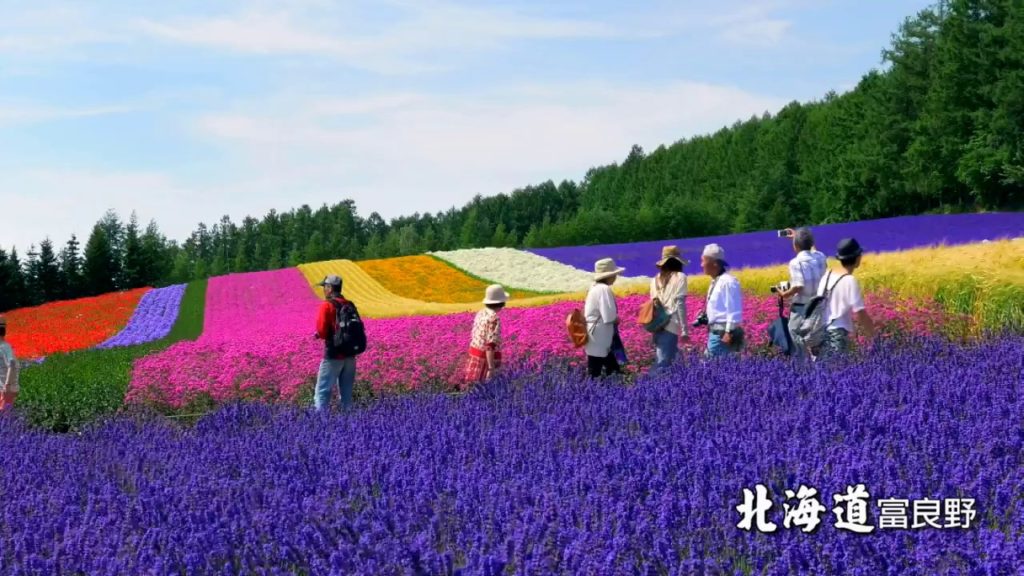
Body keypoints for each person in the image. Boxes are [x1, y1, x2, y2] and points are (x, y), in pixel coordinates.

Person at [817, 238, 876, 359]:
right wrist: (873, 336)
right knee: (837, 371)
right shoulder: (849, 280)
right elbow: (860, 313)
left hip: (820, 335)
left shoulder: (827, 276)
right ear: (857, 257)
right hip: (838, 335)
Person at [778, 227, 827, 359]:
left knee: (794, 332)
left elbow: (798, 286)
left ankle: (803, 364)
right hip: (820, 306)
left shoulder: (796, 263)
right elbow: (814, 251)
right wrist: (798, 237)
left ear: (796, 245)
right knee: (816, 337)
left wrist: (784, 294)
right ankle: (819, 363)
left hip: (802, 308)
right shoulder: (820, 257)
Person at [313, 275, 357, 411]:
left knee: (322, 391)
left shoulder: (327, 305)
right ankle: (349, 422)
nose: (324, 290)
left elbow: (322, 331)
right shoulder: (349, 304)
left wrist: (319, 335)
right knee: (346, 393)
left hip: (333, 355)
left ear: (330, 288)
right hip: (350, 355)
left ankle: (320, 423)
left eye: (325, 287)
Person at [649, 246, 689, 371]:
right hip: (671, 325)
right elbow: (680, 303)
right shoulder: (680, 277)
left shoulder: (655, 279)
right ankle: (655, 387)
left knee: (670, 359)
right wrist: (684, 329)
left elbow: (653, 303)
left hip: (657, 324)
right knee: (664, 365)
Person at [462, 284, 509, 389]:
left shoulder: (481, 313)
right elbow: (490, 345)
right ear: (501, 303)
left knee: (471, 387)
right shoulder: (494, 318)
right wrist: (491, 368)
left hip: (473, 355)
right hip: (485, 360)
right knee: (483, 388)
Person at [700, 244, 743, 357]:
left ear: (714, 263)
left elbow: (733, 309)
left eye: (703, 261)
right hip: (715, 333)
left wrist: (729, 332)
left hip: (722, 334)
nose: (701, 265)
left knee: (713, 367)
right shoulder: (716, 282)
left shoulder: (728, 282)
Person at [585, 258, 625, 378]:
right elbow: (608, 316)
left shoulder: (594, 287)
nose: (615, 277)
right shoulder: (604, 289)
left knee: (599, 362)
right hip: (601, 334)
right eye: (614, 275)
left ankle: (613, 383)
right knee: (598, 366)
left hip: (594, 332)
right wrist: (617, 319)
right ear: (608, 276)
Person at [0, 317, 18, 410]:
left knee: (4, 413)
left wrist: (7, 385)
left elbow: (11, 366)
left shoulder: (5, 347)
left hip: (5, 389)